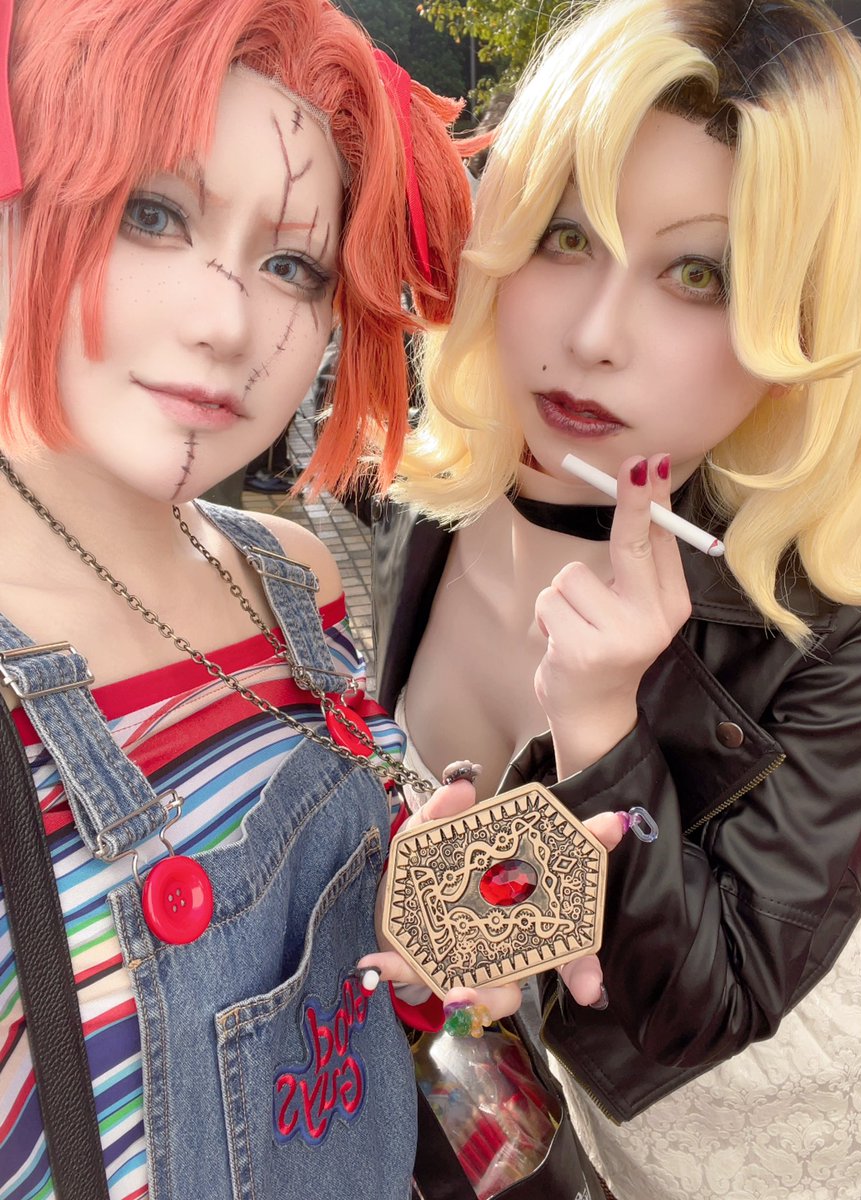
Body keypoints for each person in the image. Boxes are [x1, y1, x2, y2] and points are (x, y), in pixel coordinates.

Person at [0, 0, 601, 1195]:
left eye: (291, 265)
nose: (226, 321)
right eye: (152, 214)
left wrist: (474, 921)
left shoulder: (296, 578)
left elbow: (369, 967)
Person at [372, 1, 861, 1196]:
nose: (595, 334)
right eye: (565, 236)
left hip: (808, 1115)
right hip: (579, 1137)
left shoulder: (836, 599)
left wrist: (603, 728)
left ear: (803, 324)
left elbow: (704, 1000)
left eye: (699, 274)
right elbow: (488, 911)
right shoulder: (425, 507)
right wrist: (441, 936)